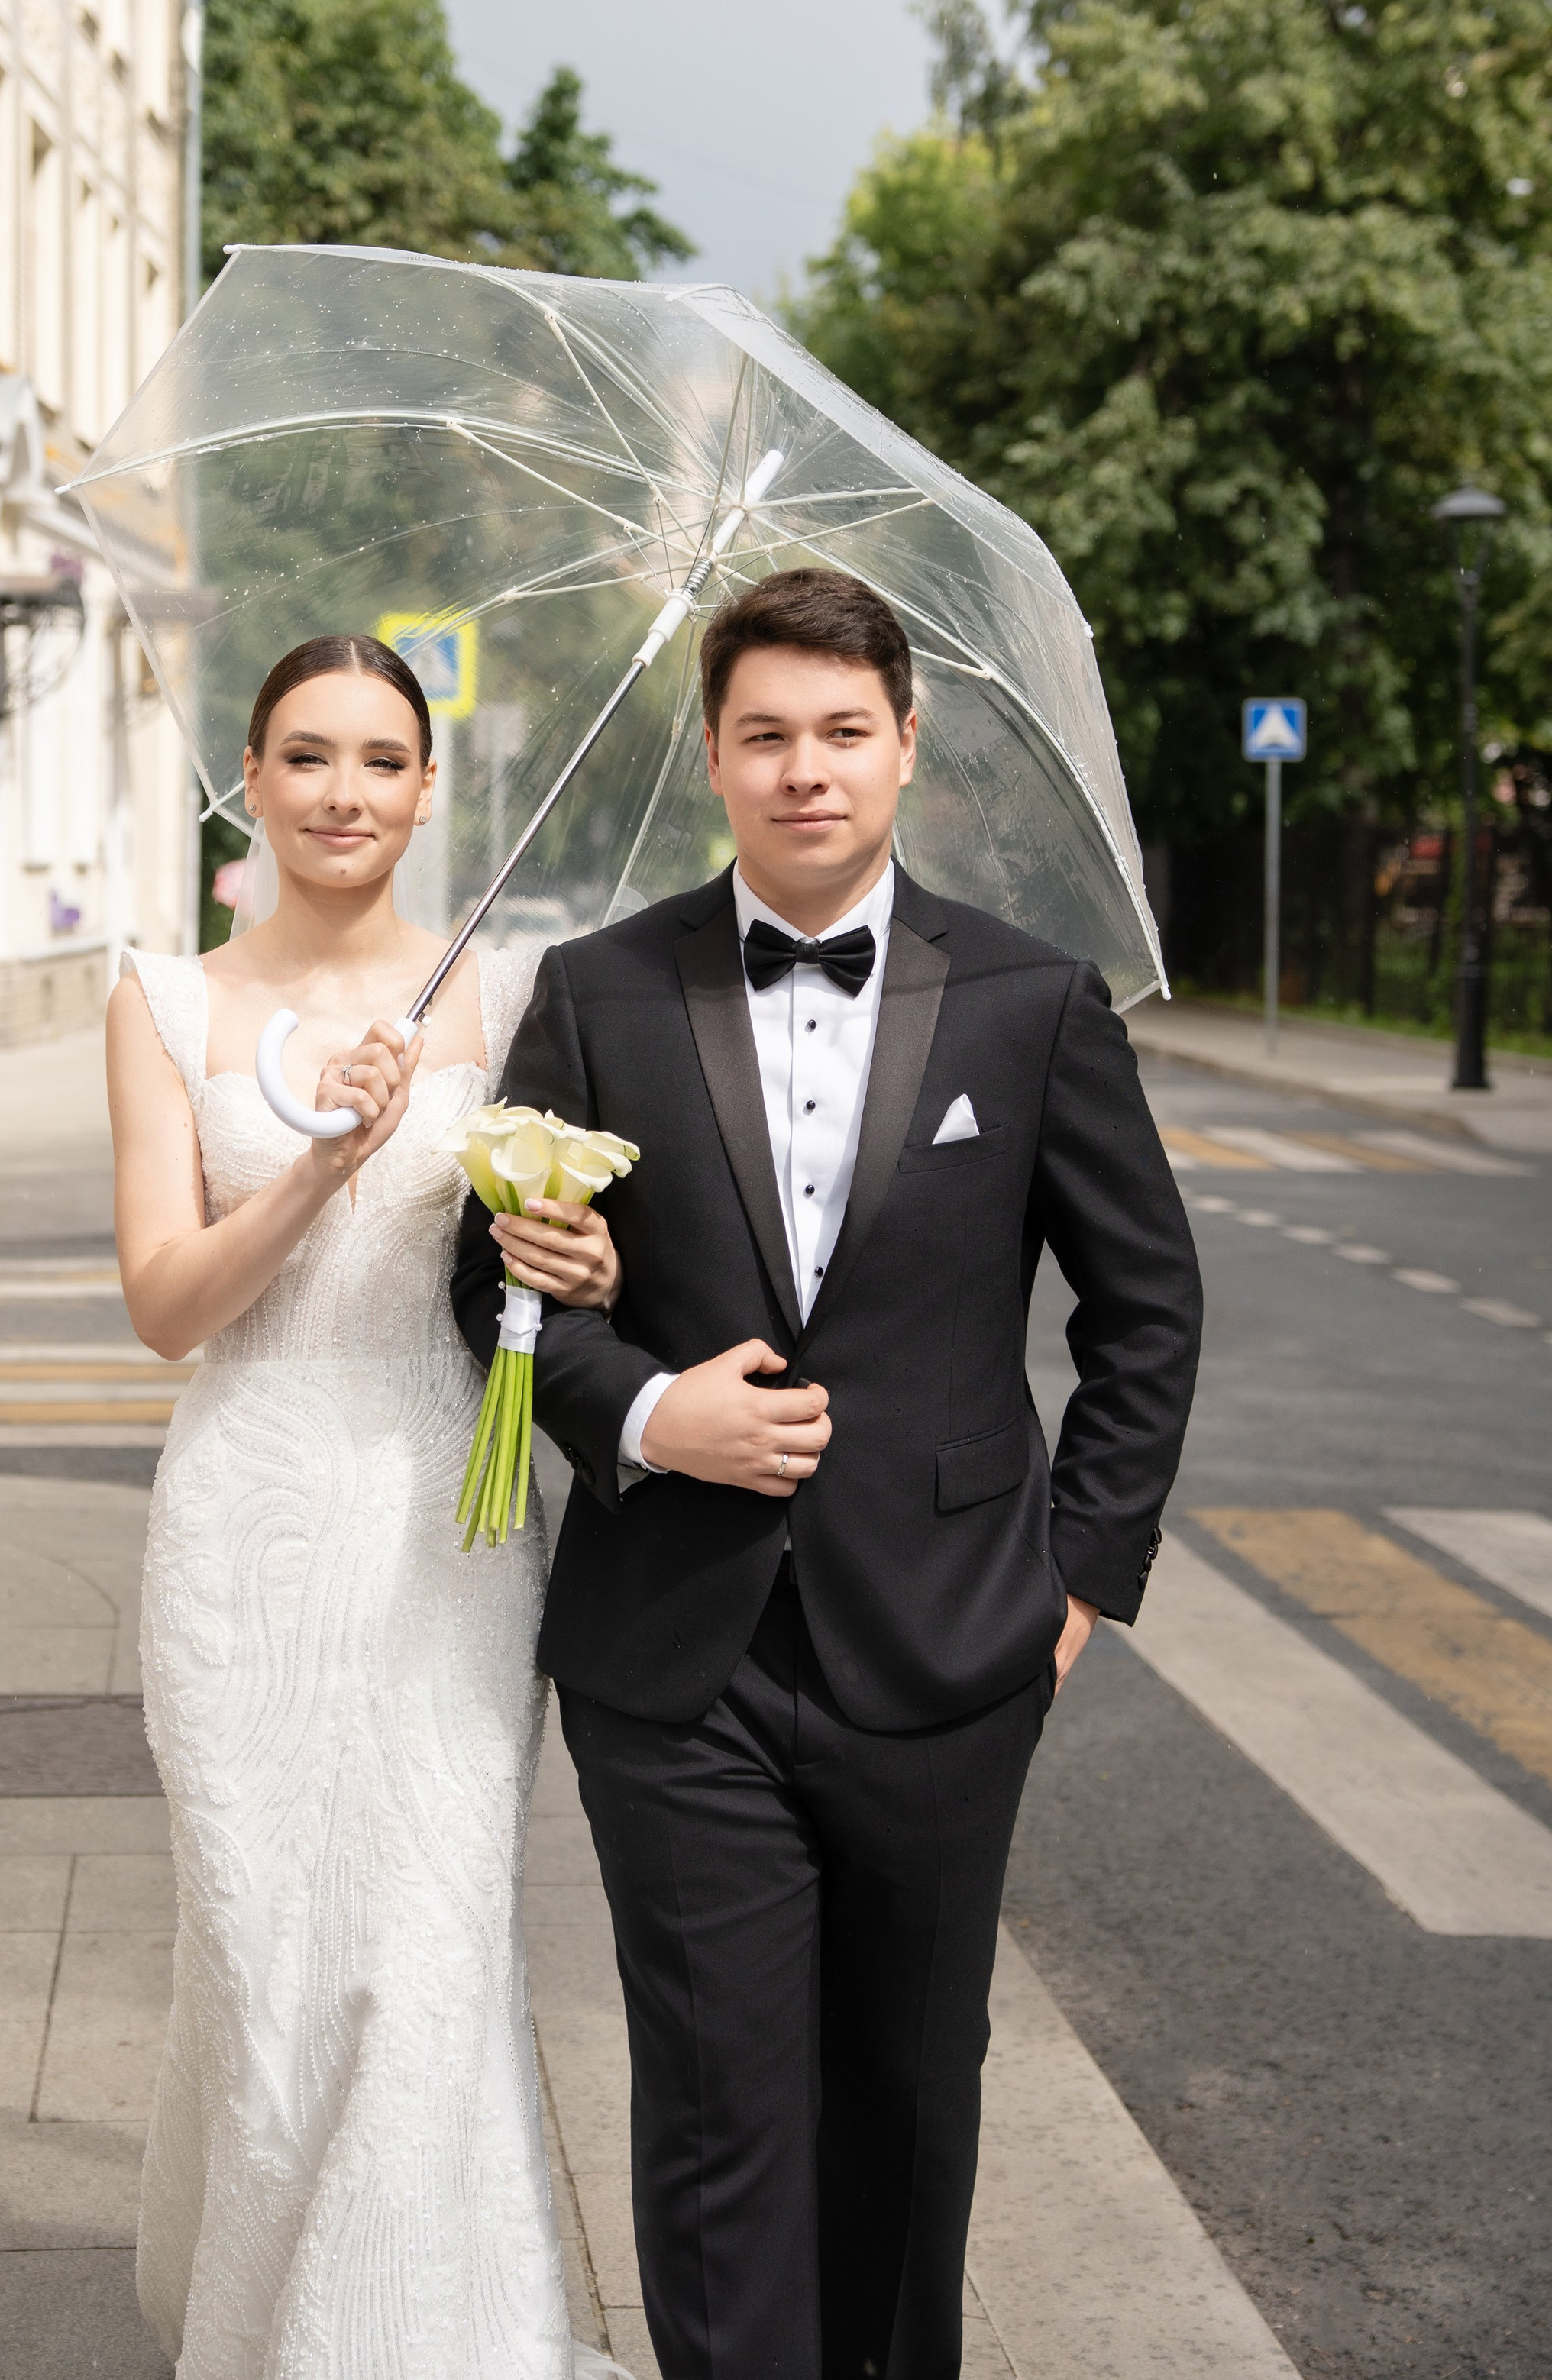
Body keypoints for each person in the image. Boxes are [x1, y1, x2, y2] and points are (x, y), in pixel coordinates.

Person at [453, 566, 1203, 2380]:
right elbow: (493, 1282)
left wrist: (1079, 1579)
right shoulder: (597, 988)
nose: (804, 770)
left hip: (950, 1652)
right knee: (713, 2114)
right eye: (764, 734)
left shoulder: (1030, 1002)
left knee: (901, 2103)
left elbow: (1145, 1306)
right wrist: (641, 1413)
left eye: (839, 733)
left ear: (901, 747)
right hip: (672, 1660)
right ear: (711, 753)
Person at [105, 631, 633, 2380]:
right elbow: (168, 1307)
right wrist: (322, 1159)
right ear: (246, 782)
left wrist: (579, 1251)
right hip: (244, 1528)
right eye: (307, 757)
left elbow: (542, 1283)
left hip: (447, 1525)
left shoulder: (514, 996)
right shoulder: (163, 1004)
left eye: (380, 761)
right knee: (266, 1959)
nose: (344, 793)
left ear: (428, 788)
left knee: (421, 1958)